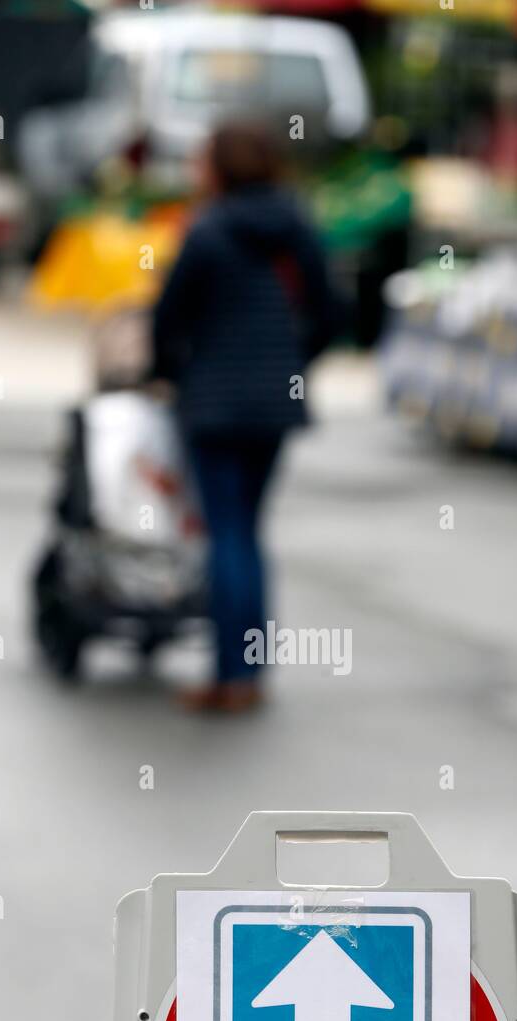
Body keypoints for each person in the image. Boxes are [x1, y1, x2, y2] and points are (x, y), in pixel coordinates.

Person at [152, 121, 341, 712]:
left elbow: (168, 318)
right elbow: (333, 309)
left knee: (226, 534)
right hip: (275, 404)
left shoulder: (206, 231)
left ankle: (231, 675)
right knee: (249, 534)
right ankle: (250, 672)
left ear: (220, 168)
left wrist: (174, 371)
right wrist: (294, 358)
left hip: (214, 402)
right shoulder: (295, 226)